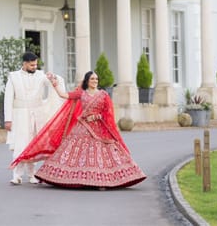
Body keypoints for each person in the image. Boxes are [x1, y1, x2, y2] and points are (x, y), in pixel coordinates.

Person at [11, 70, 146, 189]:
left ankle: (104, 180)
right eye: (92, 79)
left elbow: (108, 113)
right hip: (82, 127)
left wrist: (97, 116)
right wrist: (55, 83)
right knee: (75, 153)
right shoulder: (81, 93)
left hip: (99, 128)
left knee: (101, 153)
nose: (95, 81)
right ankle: (74, 179)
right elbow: (63, 95)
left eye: (96, 79)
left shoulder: (103, 95)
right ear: (87, 81)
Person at [4, 51, 63, 185]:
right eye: (32, 65)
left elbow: (54, 83)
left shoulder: (41, 75)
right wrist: (8, 119)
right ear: (24, 64)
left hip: (37, 114)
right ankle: (17, 175)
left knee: (34, 145)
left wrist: (54, 77)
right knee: (21, 144)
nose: (34, 67)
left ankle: (32, 174)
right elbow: (8, 99)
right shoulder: (13, 77)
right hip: (20, 115)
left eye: (36, 65)